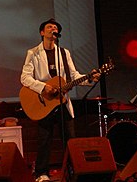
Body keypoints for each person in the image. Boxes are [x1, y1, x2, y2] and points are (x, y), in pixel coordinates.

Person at [20, 18, 101, 182]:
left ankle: (73, 171)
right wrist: (43, 87)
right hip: (43, 102)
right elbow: (25, 78)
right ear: (42, 32)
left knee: (70, 139)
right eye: (49, 27)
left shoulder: (64, 53)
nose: (53, 28)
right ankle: (42, 173)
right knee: (44, 139)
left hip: (62, 101)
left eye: (55, 27)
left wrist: (90, 78)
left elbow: (74, 76)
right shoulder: (33, 53)